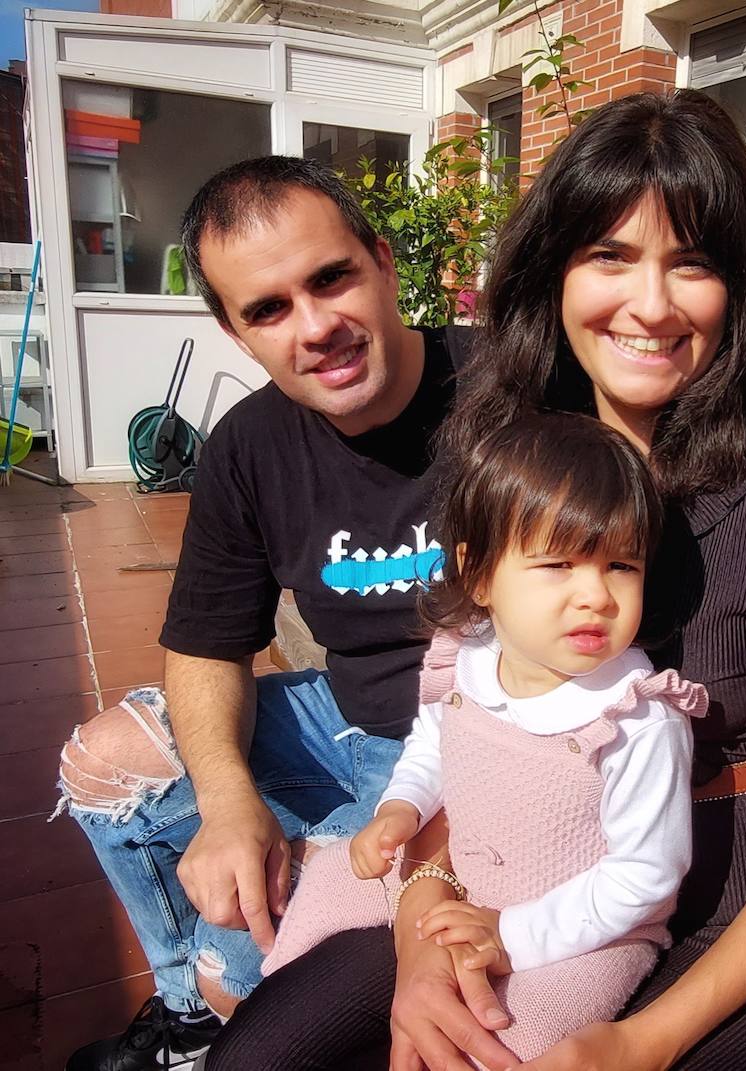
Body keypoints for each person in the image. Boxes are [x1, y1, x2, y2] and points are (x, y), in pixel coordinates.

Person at [212, 89, 746, 1071]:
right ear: (554, 272)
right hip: (526, 878)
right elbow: (475, 717)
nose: (652, 303)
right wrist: (428, 912)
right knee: (265, 1055)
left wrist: (638, 1042)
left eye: (695, 263)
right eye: (610, 256)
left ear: (739, 287)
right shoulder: (511, 455)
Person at [52, 156, 519, 1071]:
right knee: (106, 763)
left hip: (481, 743)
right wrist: (227, 804)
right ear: (236, 331)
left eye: (331, 277)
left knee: (255, 949)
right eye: (267, 309)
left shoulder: (508, 390)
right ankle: (190, 1015)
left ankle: (229, 987)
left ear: (382, 263)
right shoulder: (250, 444)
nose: (316, 328)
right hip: (346, 715)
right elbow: (204, 645)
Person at [257, 412, 707, 1061]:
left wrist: (513, 936)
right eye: (557, 563)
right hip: (454, 875)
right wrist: (400, 806)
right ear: (479, 575)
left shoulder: (636, 716)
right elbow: (434, 741)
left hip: (582, 937)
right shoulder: (466, 658)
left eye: (621, 565)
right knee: (324, 885)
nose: (596, 595)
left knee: (497, 1044)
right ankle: (273, 988)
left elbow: (645, 876)